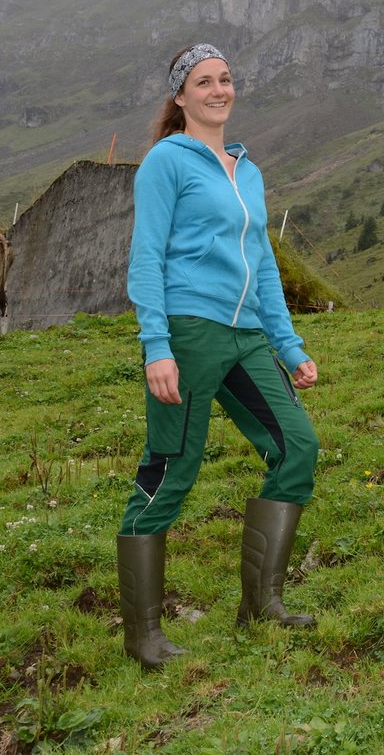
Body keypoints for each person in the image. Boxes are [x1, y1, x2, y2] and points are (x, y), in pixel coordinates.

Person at [117, 43, 321, 669]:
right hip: (189, 332)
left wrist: (289, 345)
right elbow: (146, 258)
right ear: (180, 97)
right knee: (171, 468)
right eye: (203, 81)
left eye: (225, 79)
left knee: (297, 446)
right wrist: (157, 347)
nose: (218, 90)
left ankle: (262, 604)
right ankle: (144, 637)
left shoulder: (246, 171)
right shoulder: (165, 162)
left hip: (247, 335)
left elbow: (263, 268)